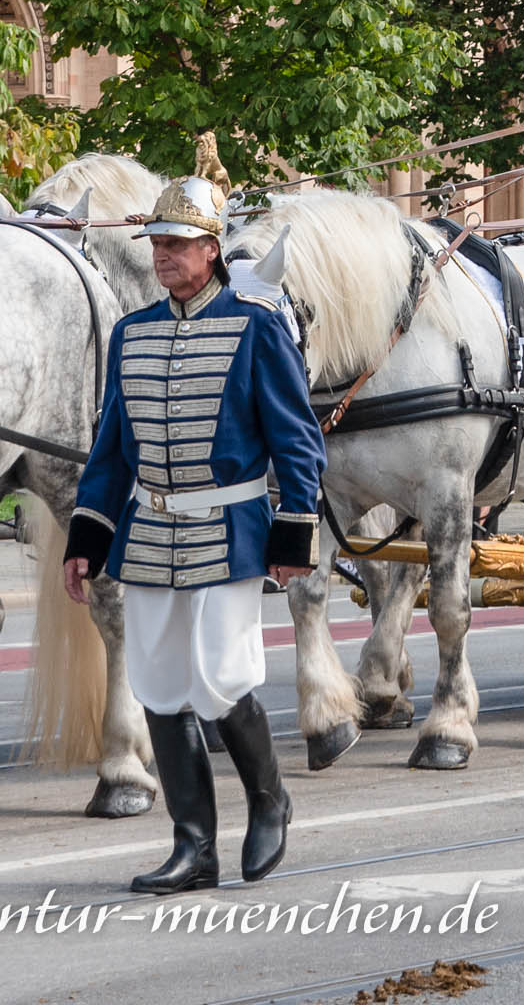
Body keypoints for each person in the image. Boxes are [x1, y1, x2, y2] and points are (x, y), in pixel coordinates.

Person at [61, 174, 326, 893]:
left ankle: (270, 799)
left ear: (211, 250)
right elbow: (112, 446)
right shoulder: (131, 333)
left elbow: (296, 440)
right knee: (157, 685)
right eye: (157, 244)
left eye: (177, 245)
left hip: (229, 530)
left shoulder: (255, 324)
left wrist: (293, 534)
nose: (163, 256)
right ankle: (193, 847)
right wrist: (87, 535)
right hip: (147, 534)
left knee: (220, 676)